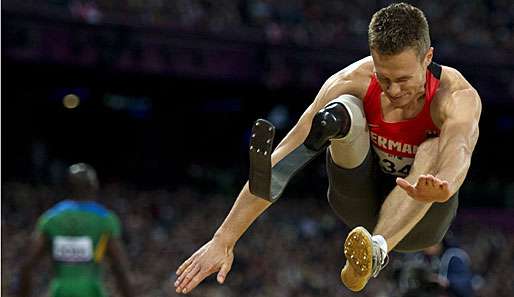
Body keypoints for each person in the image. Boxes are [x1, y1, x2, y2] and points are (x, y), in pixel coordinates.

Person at [175, 2, 481, 293]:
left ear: (428, 58)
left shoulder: (455, 96)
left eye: (403, 79)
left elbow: (460, 147)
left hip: (423, 216)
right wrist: (224, 239)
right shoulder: (352, 79)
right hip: (357, 201)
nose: (394, 90)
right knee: (341, 110)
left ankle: (374, 251)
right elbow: (283, 159)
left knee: (433, 147)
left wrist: (445, 183)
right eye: (384, 78)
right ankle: (339, 136)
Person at [18, 163, 134, 297]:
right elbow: (120, 269)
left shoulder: (50, 218)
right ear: (94, 187)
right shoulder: (105, 219)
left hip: (60, 291)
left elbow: (27, 266)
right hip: (91, 291)